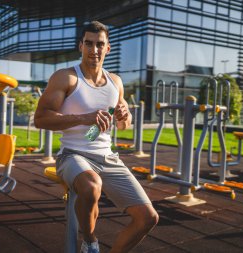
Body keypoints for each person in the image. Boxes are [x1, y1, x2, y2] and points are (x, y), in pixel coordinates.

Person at [34, 21, 159, 253]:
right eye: (89, 44)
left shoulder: (116, 82)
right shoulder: (66, 77)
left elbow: (122, 125)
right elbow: (40, 119)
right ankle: (90, 242)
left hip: (108, 158)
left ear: (107, 48)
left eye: (100, 44)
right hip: (73, 155)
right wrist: (84, 118)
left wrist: (125, 113)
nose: (94, 50)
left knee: (148, 218)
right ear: (80, 46)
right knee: (92, 187)